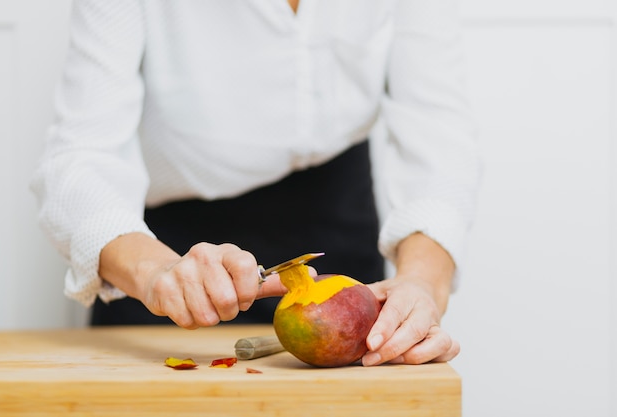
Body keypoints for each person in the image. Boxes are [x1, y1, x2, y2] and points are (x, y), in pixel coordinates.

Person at [31, 0, 480, 367]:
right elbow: (79, 157)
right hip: (171, 251)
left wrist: (422, 281)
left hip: (341, 233)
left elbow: (439, 130)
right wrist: (155, 272)